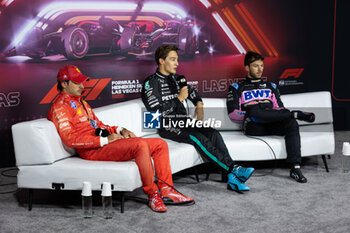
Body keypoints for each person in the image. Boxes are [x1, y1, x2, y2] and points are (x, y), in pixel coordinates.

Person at [47, 65, 194, 213]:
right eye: (77, 83)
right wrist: (104, 140)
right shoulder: (60, 106)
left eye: (82, 82)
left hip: (103, 144)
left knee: (160, 144)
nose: (82, 86)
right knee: (139, 145)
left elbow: (98, 124)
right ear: (64, 84)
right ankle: (153, 194)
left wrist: (119, 130)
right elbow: (69, 139)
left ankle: (167, 191)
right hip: (91, 150)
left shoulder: (81, 102)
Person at [141, 45, 255, 193]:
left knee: (213, 133)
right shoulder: (150, 83)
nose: (177, 63)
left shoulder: (177, 79)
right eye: (173, 60)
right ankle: (233, 169)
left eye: (177, 60)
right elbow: (155, 111)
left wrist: (199, 104)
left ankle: (230, 176)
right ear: (161, 61)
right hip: (166, 124)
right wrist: (178, 99)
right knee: (197, 137)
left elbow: (192, 92)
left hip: (184, 121)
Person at [226, 51, 315, 183]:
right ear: (247, 68)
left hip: (272, 123)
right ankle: (294, 114)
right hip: (253, 125)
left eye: (261, 65)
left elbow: (280, 108)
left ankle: (295, 168)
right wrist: (252, 112)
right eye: (256, 66)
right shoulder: (237, 87)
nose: (260, 69)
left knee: (291, 123)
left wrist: (268, 114)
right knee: (254, 109)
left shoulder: (271, 86)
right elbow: (233, 113)